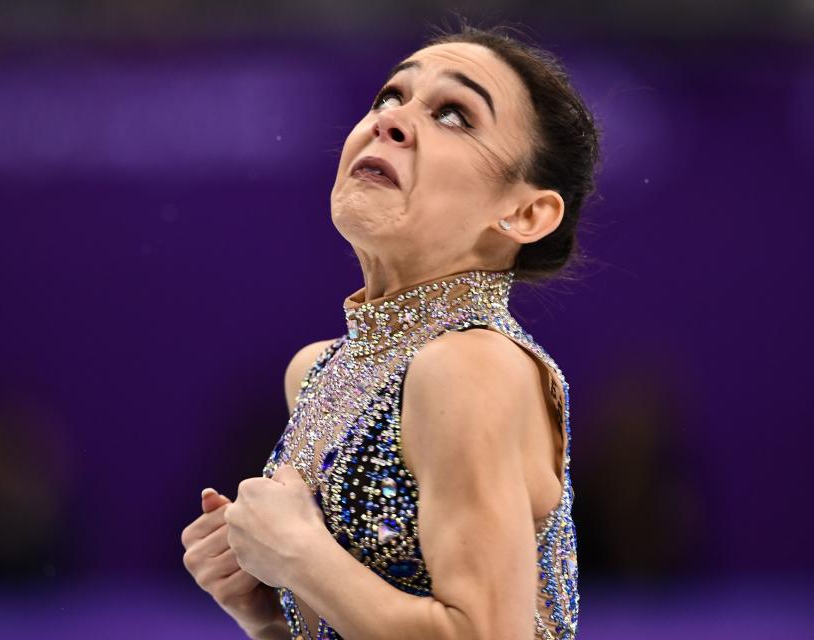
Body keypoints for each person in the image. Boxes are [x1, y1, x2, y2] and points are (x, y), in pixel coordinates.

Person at [181, 21, 600, 640]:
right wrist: (267, 617)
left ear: (525, 212)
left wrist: (299, 554)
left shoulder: (470, 365)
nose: (392, 121)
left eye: (455, 115)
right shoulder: (321, 370)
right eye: (389, 97)